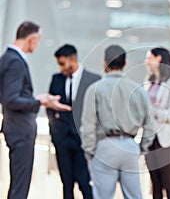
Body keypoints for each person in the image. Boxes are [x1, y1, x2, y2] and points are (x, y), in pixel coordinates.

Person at [0, 21, 71, 199]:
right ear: (31, 39)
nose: (38, 44)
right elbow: (11, 99)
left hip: (16, 128)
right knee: (20, 186)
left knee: (19, 184)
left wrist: (40, 101)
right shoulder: (15, 62)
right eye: (38, 40)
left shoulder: (8, 59)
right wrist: (39, 101)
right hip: (20, 130)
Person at [80, 45, 155, 199]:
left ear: (104, 63)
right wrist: (141, 148)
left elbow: (88, 126)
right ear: (125, 63)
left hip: (105, 146)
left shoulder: (94, 89)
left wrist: (90, 153)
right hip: (130, 146)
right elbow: (150, 126)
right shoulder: (139, 90)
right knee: (135, 196)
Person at [46, 44, 100, 199]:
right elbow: (50, 107)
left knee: (85, 184)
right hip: (62, 141)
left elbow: (99, 111)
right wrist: (55, 134)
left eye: (63, 63)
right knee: (66, 185)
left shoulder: (93, 79)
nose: (60, 67)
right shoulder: (56, 79)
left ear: (73, 59)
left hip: (84, 142)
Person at [144, 47, 170, 199]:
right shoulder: (149, 81)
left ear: (159, 58)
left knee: (168, 182)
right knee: (154, 184)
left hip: (165, 140)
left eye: (149, 57)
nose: (146, 61)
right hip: (149, 139)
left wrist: (150, 110)